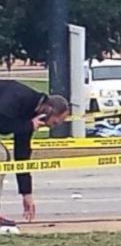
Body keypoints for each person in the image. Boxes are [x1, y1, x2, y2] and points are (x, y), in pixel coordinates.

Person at [0, 82, 70, 224]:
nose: (51, 127)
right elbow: (2, 124)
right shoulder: (18, 96)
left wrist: (26, 193)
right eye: (55, 123)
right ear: (48, 111)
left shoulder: (30, 114)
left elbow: (22, 153)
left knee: (2, 156)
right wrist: (27, 125)